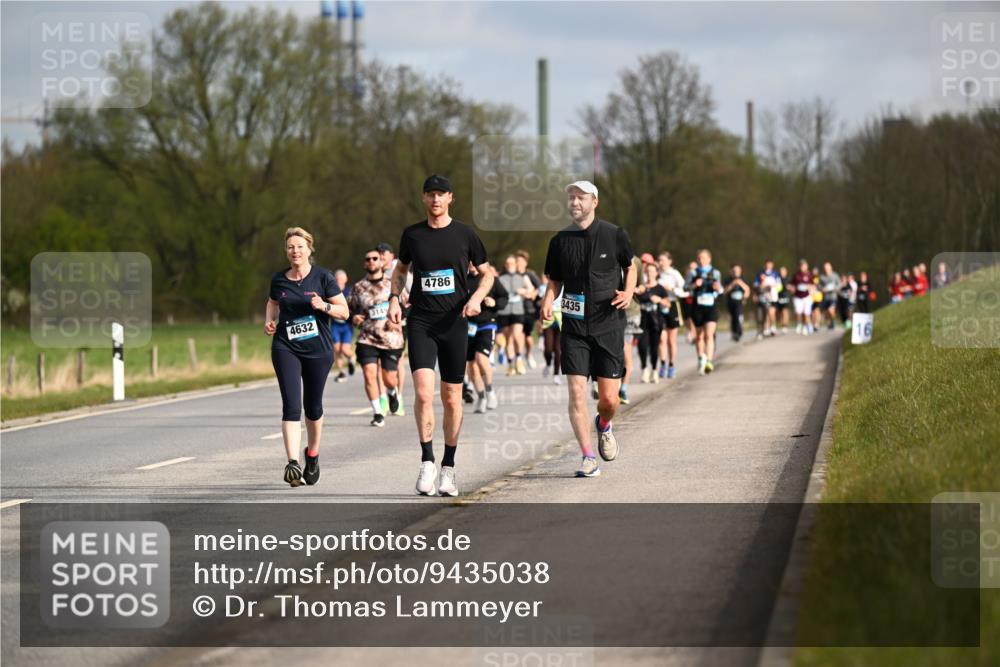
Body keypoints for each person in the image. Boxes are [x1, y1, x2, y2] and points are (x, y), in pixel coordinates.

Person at [387, 174, 492, 497]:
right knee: (422, 394)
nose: (435, 200)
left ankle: (449, 467)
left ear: (450, 198)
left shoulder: (465, 234)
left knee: (451, 397)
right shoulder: (413, 235)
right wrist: (394, 297)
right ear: (424, 198)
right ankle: (427, 460)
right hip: (421, 320)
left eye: (441, 194)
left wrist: (475, 300)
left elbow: (488, 273)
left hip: (454, 323)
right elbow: (401, 269)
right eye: (430, 194)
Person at [540, 180, 636, 478]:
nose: (574, 202)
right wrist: (547, 299)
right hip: (574, 327)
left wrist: (629, 292)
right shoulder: (559, 241)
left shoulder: (615, 235)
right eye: (570, 197)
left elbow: (630, 267)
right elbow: (555, 280)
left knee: (609, 400)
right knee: (577, 392)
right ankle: (587, 456)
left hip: (608, 323)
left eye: (580, 197)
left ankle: (604, 424)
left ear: (595, 201)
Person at [264, 227, 349, 487]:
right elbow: (272, 302)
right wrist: (270, 321)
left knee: (313, 408)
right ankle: (292, 463)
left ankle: (312, 454)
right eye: (290, 247)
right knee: (291, 405)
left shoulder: (323, 277)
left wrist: (324, 306)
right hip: (286, 347)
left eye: (300, 246)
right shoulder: (279, 280)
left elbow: (344, 312)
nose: (295, 251)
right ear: (286, 251)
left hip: (318, 350)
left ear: (309, 249)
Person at [348, 248, 405, 427]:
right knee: (369, 374)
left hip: (391, 338)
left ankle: (392, 392)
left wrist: (400, 320)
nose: (372, 261)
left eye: (375, 258)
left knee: (389, 378)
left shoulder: (393, 284)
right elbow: (346, 309)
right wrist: (352, 318)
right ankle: (377, 412)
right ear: (365, 263)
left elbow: (408, 304)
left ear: (382, 263)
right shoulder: (358, 288)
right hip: (367, 338)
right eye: (368, 259)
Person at [466, 262, 508, 413]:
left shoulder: (490, 279)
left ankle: (490, 391)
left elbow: (504, 297)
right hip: (468, 327)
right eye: (468, 262)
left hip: (487, 324)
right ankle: (481, 396)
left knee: (481, 358)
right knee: (471, 364)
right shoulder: (462, 279)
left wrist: (494, 302)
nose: (471, 264)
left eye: (473, 262)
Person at [685, 250, 723, 374]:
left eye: (703, 258)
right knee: (699, 336)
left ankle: (709, 361)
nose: (701, 260)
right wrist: (694, 285)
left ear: (709, 259)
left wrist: (717, 288)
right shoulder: (693, 272)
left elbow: (720, 290)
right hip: (698, 306)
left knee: (709, 335)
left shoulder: (716, 273)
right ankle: (701, 357)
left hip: (711, 306)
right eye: (699, 258)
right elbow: (685, 288)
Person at [497, 254, 533, 376]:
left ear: (516, 265)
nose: (510, 266)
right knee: (508, 339)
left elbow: (531, 292)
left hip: (518, 311)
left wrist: (524, 292)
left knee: (517, 335)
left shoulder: (522, 277)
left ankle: (518, 359)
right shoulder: (501, 279)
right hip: (504, 312)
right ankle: (511, 364)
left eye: (512, 264)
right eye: (507, 264)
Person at [636, 262, 667, 383]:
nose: (650, 274)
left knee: (654, 348)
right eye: (648, 271)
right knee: (642, 347)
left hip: (655, 322)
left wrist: (659, 299)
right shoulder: (641, 287)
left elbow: (668, 303)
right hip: (642, 322)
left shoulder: (660, 288)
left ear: (656, 273)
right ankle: (644, 369)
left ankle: (654, 370)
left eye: (652, 271)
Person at [656, 252, 685, 379]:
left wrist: (671, 289)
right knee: (662, 339)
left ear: (669, 261)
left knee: (671, 341)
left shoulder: (675, 274)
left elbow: (683, 290)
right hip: (659, 306)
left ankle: (671, 365)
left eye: (663, 260)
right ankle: (662, 364)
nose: (660, 262)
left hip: (672, 305)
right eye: (659, 260)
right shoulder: (657, 274)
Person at [516, 250, 542, 369]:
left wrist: (533, 293)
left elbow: (540, 287)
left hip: (529, 309)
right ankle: (518, 358)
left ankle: (529, 354)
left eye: (521, 261)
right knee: (518, 334)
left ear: (525, 263)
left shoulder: (530, 274)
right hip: (516, 309)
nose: (518, 263)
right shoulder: (512, 275)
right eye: (517, 261)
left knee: (528, 336)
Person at [329, 270, 357, 382]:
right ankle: (341, 373)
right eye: (337, 279)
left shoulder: (349, 292)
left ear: (345, 280)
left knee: (345, 350)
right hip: (335, 325)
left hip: (346, 326)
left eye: (341, 279)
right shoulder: (330, 292)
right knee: (336, 349)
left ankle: (352, 358)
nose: (338, 281)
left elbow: (355, 306)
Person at [539, 275, 563, 384]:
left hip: (561, 320)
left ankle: (556, 374)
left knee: (558, 349)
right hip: (548, 319)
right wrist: (539, 321)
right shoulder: (544, 288)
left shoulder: (567, 287)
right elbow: (540, 304)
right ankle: (548, 364)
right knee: (548, 349)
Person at [753, 260, 780, 338]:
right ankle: (766, 328)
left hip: (773, 296)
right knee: (764, 312)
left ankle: (773, 327)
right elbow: (755, 284)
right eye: (767, 264)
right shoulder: (760, 273)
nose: (768, 266)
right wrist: (760, 286)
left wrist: (773, 287)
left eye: (770, 264)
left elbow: (779, 285)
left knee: (771, 312)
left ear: (772, 265)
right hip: (763, 296)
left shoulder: (775, 274)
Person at [724, 264, 750, 342]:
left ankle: (739, 331)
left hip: (740, 302)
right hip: (731, 301)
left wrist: (740, 283)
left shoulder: (743, 279)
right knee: (732, 318)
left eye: (737, 270)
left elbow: (747, 290)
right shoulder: (727, 280)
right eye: (734, 270)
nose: (736, 272)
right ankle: (734, 332)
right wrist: (733, 284)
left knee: (738, 316)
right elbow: (725, 291)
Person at [791, 259, 815, 335]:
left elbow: (814, 285)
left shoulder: (810, 275)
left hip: (807, 296)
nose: (802, 267)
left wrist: (811, 289)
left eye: (804, 266)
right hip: (798, 297)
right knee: (798, 312)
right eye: (801, 266)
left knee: (806, 313)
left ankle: (806, 326)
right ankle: (799, 324)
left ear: (807, 266)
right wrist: (792, 289)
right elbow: (791, 285)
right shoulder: (796, 275)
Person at [819, 262, 841, 330]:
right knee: (826, 312)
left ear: (830, 267)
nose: (826, 269)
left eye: (828, 268)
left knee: (831, 310)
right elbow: (819, 286)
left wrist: (835, 288)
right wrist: (822, 289)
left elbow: (839, 284)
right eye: (825, 268)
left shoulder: (835, 275)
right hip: (825, 297)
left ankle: (833, 322)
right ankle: (830, 322)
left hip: (833, 297)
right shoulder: (822, 277)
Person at [775, 266, 791, 334]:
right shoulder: (777, 279)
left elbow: (791, 287)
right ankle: (782, 325)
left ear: (786, 272)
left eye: (783, 271)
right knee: (780, 312)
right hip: (778, 297)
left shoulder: (788, 279)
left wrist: (789, 287)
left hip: (786, 296)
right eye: (781, 271)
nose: (782, 272)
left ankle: (785, 325)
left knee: (785, 311)